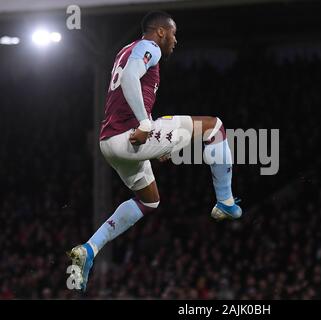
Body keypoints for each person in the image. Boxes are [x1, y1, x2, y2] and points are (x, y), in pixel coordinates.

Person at [68, 11, 242, 292]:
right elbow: (129, 81)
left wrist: (152, 135)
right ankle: (226, 202)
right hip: (129, 137)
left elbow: (129, 86)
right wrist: (147, 125)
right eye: (173, 34)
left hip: (110, 143)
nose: (175, 40)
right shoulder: (150, 48)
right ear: (160, 32)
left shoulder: (125, 50)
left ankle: (90, 248)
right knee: (214, 127)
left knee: (149, 201)